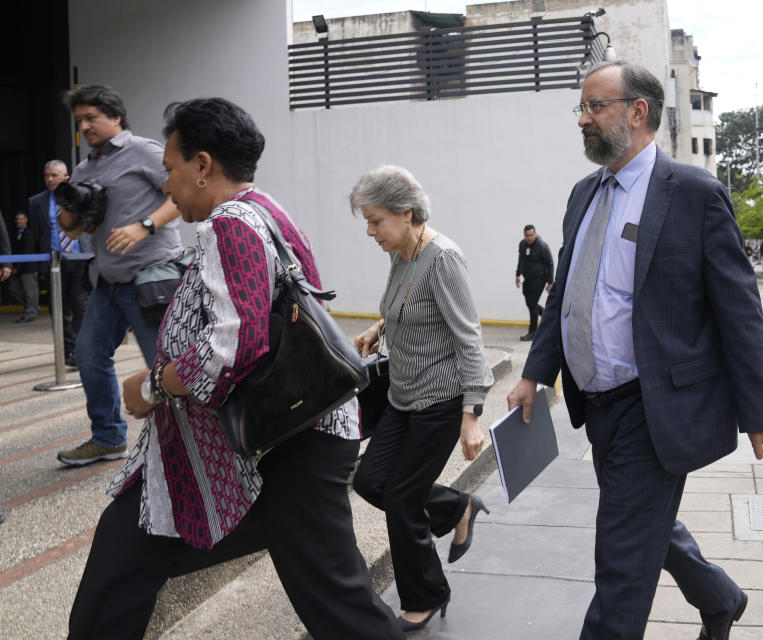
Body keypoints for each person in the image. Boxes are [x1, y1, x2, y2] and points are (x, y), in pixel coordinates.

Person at [69, 98, 403, 640]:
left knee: (340, 606)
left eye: (171, 171)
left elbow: (235, 344)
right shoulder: (268, 209)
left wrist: (151, 385)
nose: (168, 189)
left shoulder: (232, 225)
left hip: (286, 443)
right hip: (271, 440)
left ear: (203, 166)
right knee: (125, 556)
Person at [507, 61, 763, 640]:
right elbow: (567, 296)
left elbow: (738, 311)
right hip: (597, 404)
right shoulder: (583, 193)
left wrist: (761, 411)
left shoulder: (693, 193)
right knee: (642, 523)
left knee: (621, 557)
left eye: (594, 106)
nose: (582, 119)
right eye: (579, 108)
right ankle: (720, 597)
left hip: (656, 404)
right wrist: (535, 372)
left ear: (637, 112)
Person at [350, 165, 494, 631]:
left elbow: (469, 339)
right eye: (368, 222)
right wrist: (379, 326)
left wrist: (471, 414)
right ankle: (456, 507)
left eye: (376, 221)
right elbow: (403, 305)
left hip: (441, 401)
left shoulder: (443, 258)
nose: (371, 232)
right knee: (370, 482)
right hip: (402, 396)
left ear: (406, 213)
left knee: (401, 498)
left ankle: (427, 594)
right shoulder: (401, 254)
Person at [55, 85, 184, 467]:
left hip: (150, 278)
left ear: (115, 116)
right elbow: (76, 231)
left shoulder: (143, 151)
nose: (84, 126)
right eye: (79, 120)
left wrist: (144, 225)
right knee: (89, 355)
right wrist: (67, 206)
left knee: (164, 363)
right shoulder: (84, 168)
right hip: (108, 282)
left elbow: (181, 196)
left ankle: (186, 443)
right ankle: (109, 438)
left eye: (91, 117)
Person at [27, 160, 93, 365]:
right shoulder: (36, 202)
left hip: (80, 259)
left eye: (54, 175)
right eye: (46, 175)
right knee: (60, 311)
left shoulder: (79, 196)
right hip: (55, 262)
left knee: (82, 308)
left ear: (66, 177)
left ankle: (83, 350)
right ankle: (68, 352)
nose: (49, 179)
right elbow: (38, 233)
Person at [515, 224, 554, 340]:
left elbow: (550, 263)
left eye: (531, 235)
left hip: (539, 279)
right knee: (531, 304)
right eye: (527, 235)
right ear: (524, 235)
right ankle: (549, 317)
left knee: (532, 304)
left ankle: (533, 332)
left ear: (535, 234)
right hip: (528, 279)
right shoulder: (522, 245)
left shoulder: (542, 246)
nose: (529, 237)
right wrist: (517, 274)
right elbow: (520, 260)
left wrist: (550, 282)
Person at [9, 212, 40, 323]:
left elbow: (28, 252)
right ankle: (33, 307)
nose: (18, 221)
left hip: (28, 268)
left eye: (21, 219)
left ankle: (30, 314)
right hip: (18, 267)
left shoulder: (28, 233)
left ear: (26, 221)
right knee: (13, 288)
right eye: (17, 219)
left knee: (30, 293)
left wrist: (17, 267)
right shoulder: (16, 234)